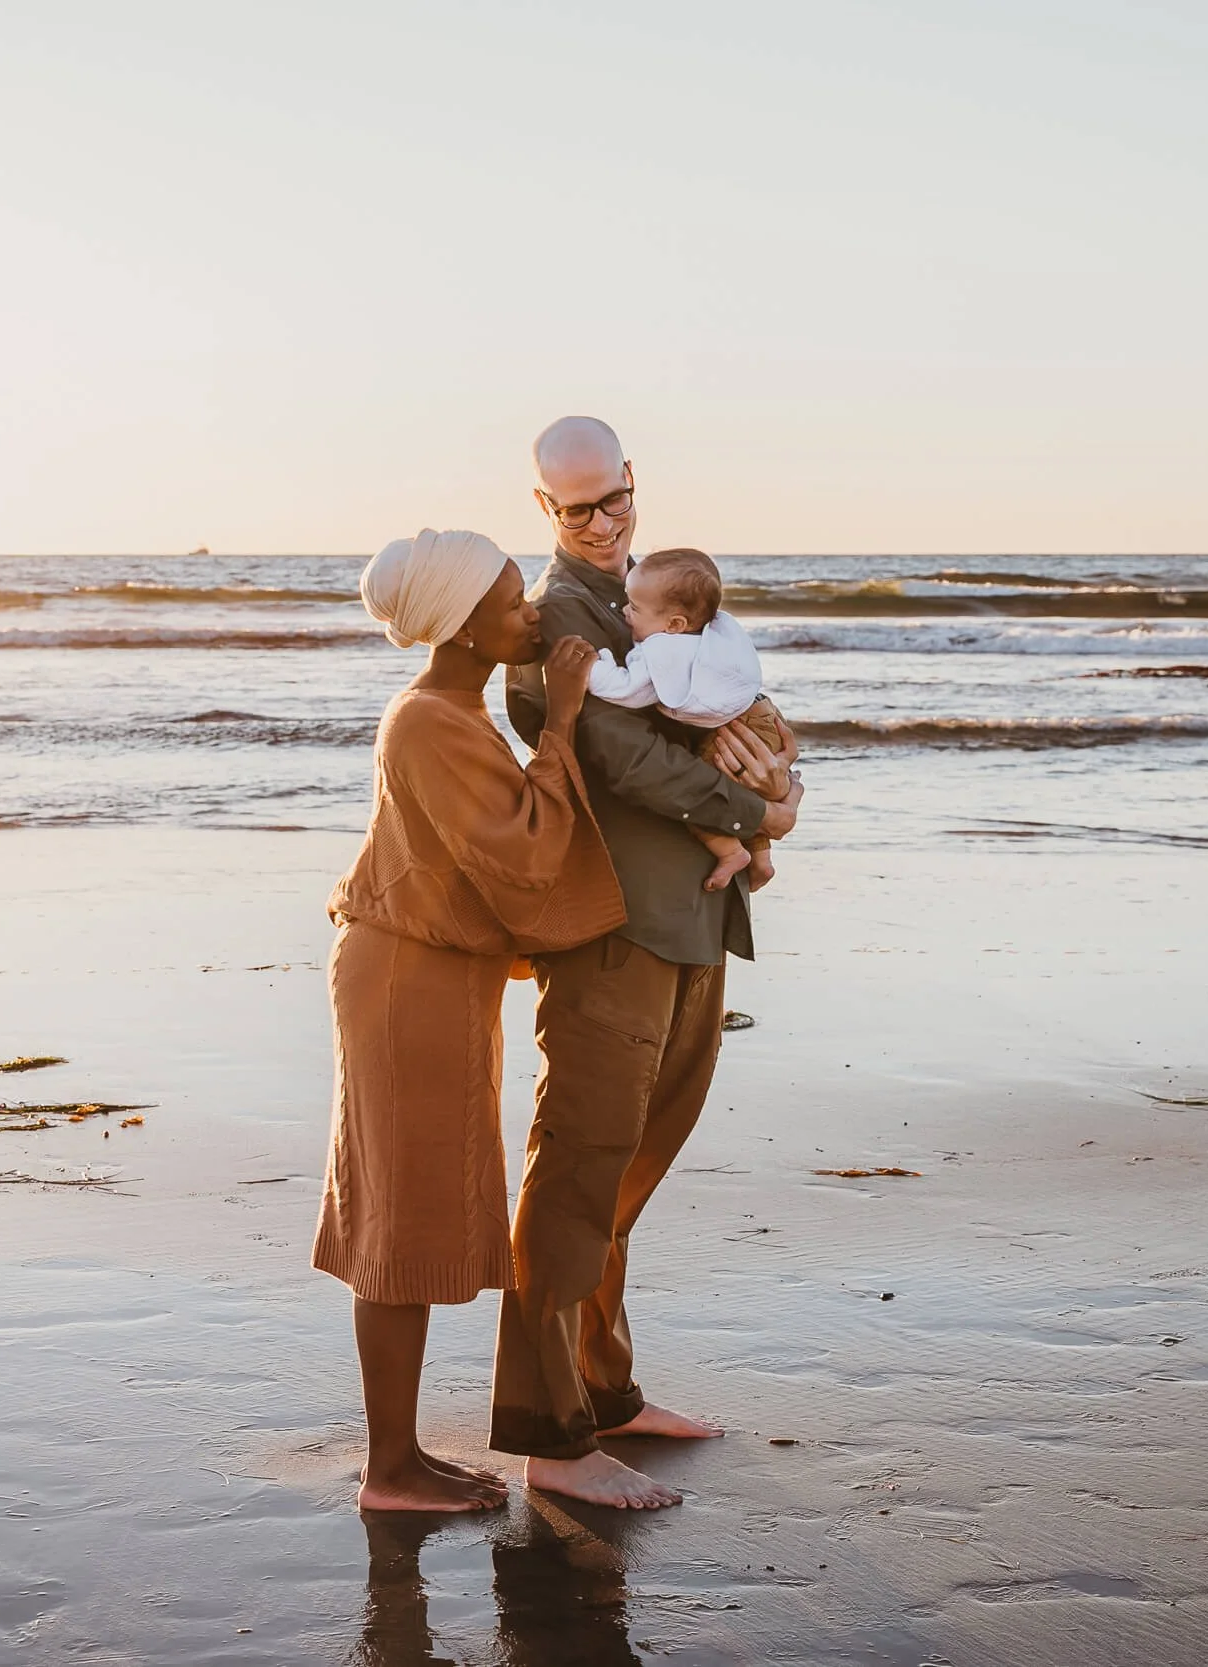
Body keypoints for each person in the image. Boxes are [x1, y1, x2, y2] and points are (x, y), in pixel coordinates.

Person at [494, 418, 804, 1510]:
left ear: (634, 484)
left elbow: (733, 707)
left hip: (691, 920)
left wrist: (772, 772)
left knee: (629, 1175)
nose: (596, 519)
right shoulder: (552, 618)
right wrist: (749, 806)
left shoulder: (664, 599)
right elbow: (611, 751)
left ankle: (605, 1392)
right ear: (545, 509)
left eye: (609, 497)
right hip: (613, 927)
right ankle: (545, 1432)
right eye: (572, 506)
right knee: (579, 1165)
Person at [314, 527, 625, 1513]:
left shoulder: (452, 709)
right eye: (507, 600)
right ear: (459, 626)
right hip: (409, 982)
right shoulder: (429, 723)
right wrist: (564, 722)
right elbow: (525, 853)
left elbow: (494, 854)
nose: (528, 611)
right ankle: (389, 1469)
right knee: (399, 1219)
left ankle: (400, 1454)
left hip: (432, 974)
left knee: (409, 1208)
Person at [584, 546, 798, 891]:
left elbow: (625, 689)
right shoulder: (706, 634)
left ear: (675, 624)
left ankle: (731, 852)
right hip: (762, 715)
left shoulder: (664, 650)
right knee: (748, 788)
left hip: (736, 730)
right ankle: (762, 857)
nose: (625, 611)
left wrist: (593, 667)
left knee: (705, 797)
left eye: (634, 608)